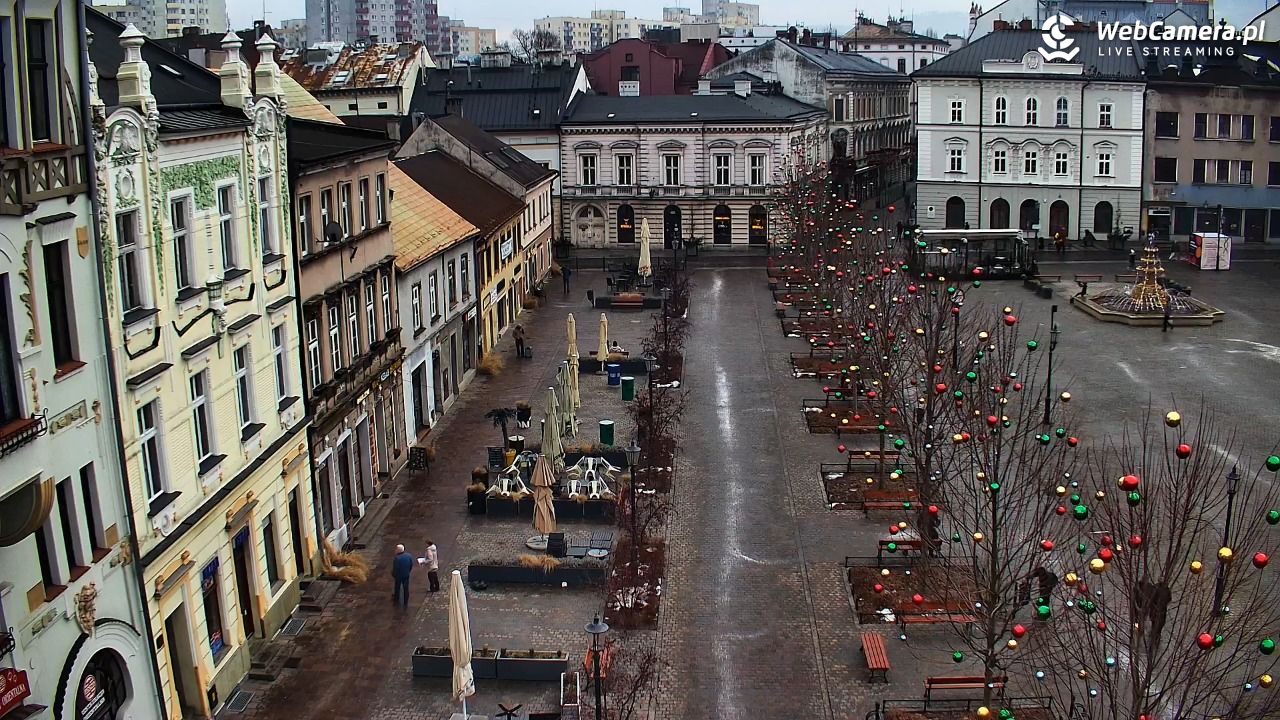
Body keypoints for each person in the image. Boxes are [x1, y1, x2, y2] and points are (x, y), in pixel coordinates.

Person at [391, 544, 413, 608]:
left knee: (397, 587)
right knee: (406, 588)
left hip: (399, 575)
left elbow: (396, 568)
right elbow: (411, 565)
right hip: (406, 574)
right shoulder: (409, 556)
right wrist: (408, 571)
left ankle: (396, 598)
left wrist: (394, 574)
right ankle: (406, 601)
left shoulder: (397, 558)